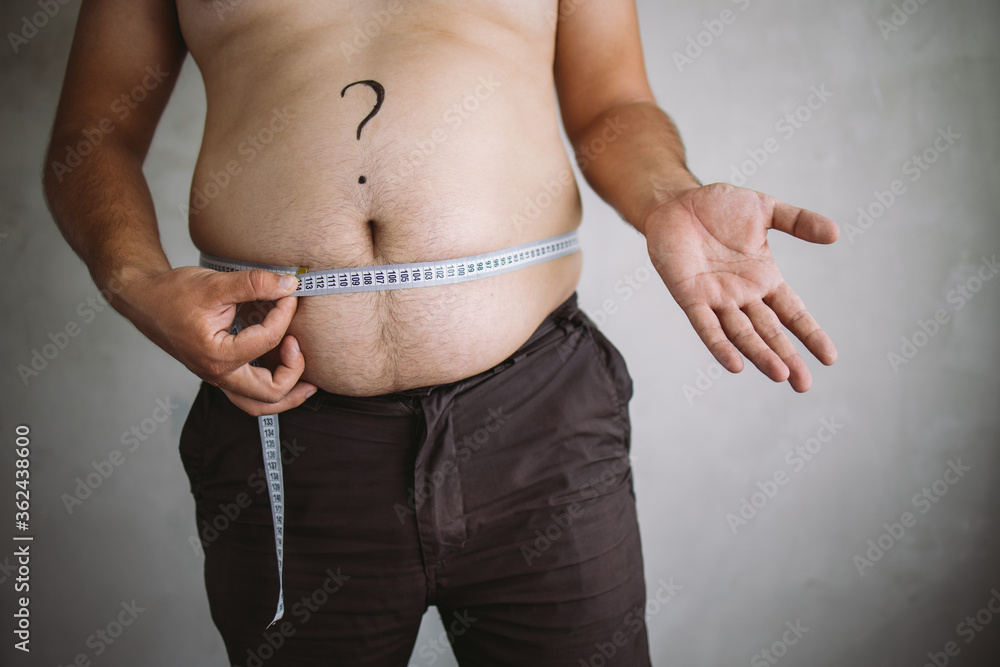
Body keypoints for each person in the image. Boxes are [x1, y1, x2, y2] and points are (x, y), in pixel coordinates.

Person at [43, 1, 838, 664]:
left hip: (540, 421)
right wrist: (140, 285)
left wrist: (668, 193)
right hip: (282, 423)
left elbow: (610, 106)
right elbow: (91, 138)